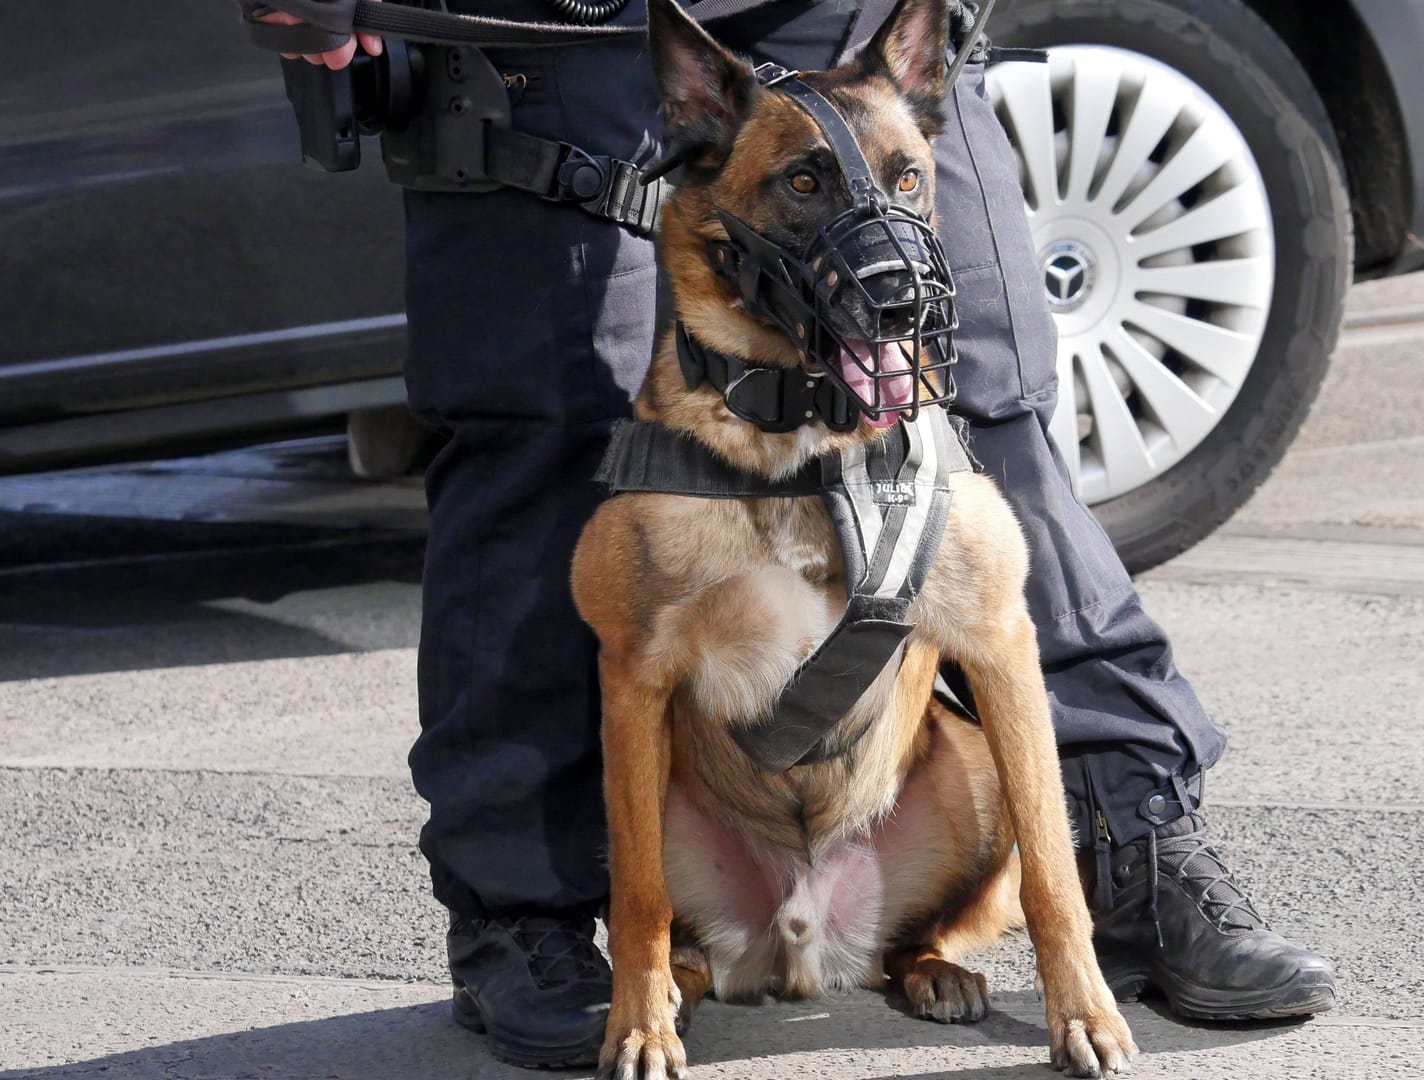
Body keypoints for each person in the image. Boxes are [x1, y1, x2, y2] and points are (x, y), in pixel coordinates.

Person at [266, 0, 1334, 1066]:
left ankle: (1131, 838)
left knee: (989, 393)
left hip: (855, 11)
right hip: (548, 23)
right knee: (538, 428)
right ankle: (523, 912)